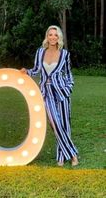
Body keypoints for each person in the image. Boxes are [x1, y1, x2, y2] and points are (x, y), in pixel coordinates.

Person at [21, 25, 79, 167]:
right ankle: (72, 154)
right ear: (47, 37)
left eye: (55, 35)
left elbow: (69, 74)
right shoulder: (40, 52)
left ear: (59, 38)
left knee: (64, 124)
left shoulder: (65, 54)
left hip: (61, 92)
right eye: (50, 34)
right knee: (55, 123)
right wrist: (26, 72)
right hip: (46, 93)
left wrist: (68, 89)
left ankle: (60, 156)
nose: (53, 37)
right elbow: (36, 70)